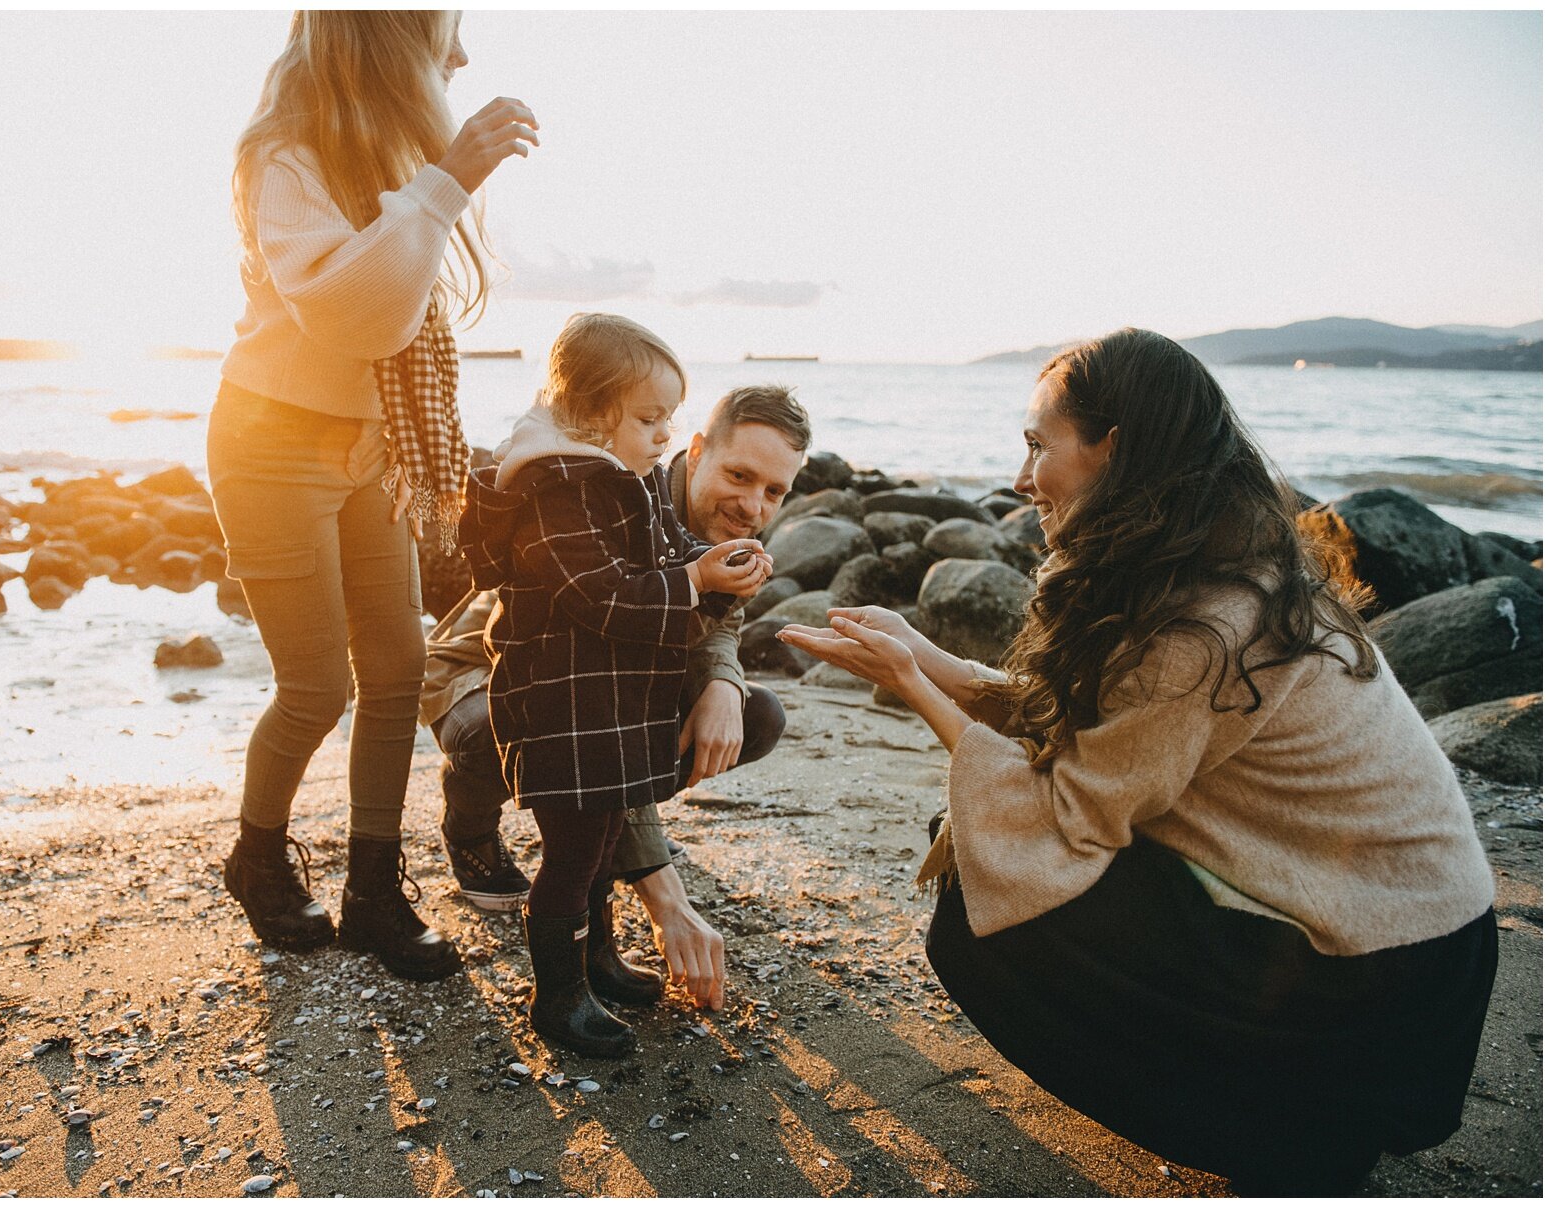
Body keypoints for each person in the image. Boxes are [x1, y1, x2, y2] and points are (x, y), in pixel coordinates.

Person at [779, 328, 1497, 1195]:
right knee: (991, 851)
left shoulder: (1202, 623)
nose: (1018, 480)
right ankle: (1298, 1110)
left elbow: (1069, 814)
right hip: (1408, 941)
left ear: (1114, 449)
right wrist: (937, 663)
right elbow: (1120, 735)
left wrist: (913, 687)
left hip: (1380, 975)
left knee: (987, 900)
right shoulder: (1219, 568)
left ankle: (1290, 1134)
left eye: (1039, 446)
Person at [209, 11, 538, 979]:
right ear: (386, 36)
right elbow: (358, 314)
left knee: (397, 674)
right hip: (270, 443)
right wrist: (445, 182)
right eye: (448, 31)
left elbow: (398, 317)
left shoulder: (386, 144)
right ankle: (257, 855)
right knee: (317, 687)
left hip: (370, 446)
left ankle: (372, 891)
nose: (465, 58)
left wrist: (436, 180)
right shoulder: (284, 154)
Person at [422, 384, 811, 1011]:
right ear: (697, 448)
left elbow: (719, 627)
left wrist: (719, 683)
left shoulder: (729, 536)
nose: (752, 505)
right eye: (739, 475)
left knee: (754, 714)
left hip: (588, 699)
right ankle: (468, 820)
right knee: (507, 752)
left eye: (774, 491)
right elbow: (595, 704)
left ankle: (596, 855)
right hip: (487, 678)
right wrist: (668, 897)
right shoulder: (619, 491)